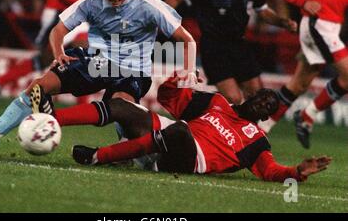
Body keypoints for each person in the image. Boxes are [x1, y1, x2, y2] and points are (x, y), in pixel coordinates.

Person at [0, 0, 198, 154]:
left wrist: (187, 71)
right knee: (39, 87)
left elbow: (187, 39)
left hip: (134, 71)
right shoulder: (91, 2)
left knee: (122, 107)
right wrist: (59, 52)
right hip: (98, 62)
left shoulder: (150, 6)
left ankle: (125, 150)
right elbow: (57, 31)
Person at [50, 74, 331, 182]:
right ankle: (51, 119)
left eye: (270, 106)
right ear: (251, 96)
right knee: (121, 105)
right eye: (263, 98)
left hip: (186, 159)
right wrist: (178, 80)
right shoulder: (217, 102)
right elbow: (167, 98)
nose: (265, 104)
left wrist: (297, 172)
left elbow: (269, 171)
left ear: (267, 115)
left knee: (180, 131)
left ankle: (98, 156)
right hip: (168, 135)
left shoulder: (257, 140)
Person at [165, 0, 297, 105]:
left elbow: (262, 11)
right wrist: (160, 18)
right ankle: (204, 113)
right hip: (214, 47)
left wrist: (283, 22)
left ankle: (246, 129)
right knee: (234, 99)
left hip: (239, 45)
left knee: (258, 98)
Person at [261, 0, 348, 149]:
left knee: (298, 85)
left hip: (332, 28)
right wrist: (302, 1)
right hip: (317, 25)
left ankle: (260, 129)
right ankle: (308, 114)